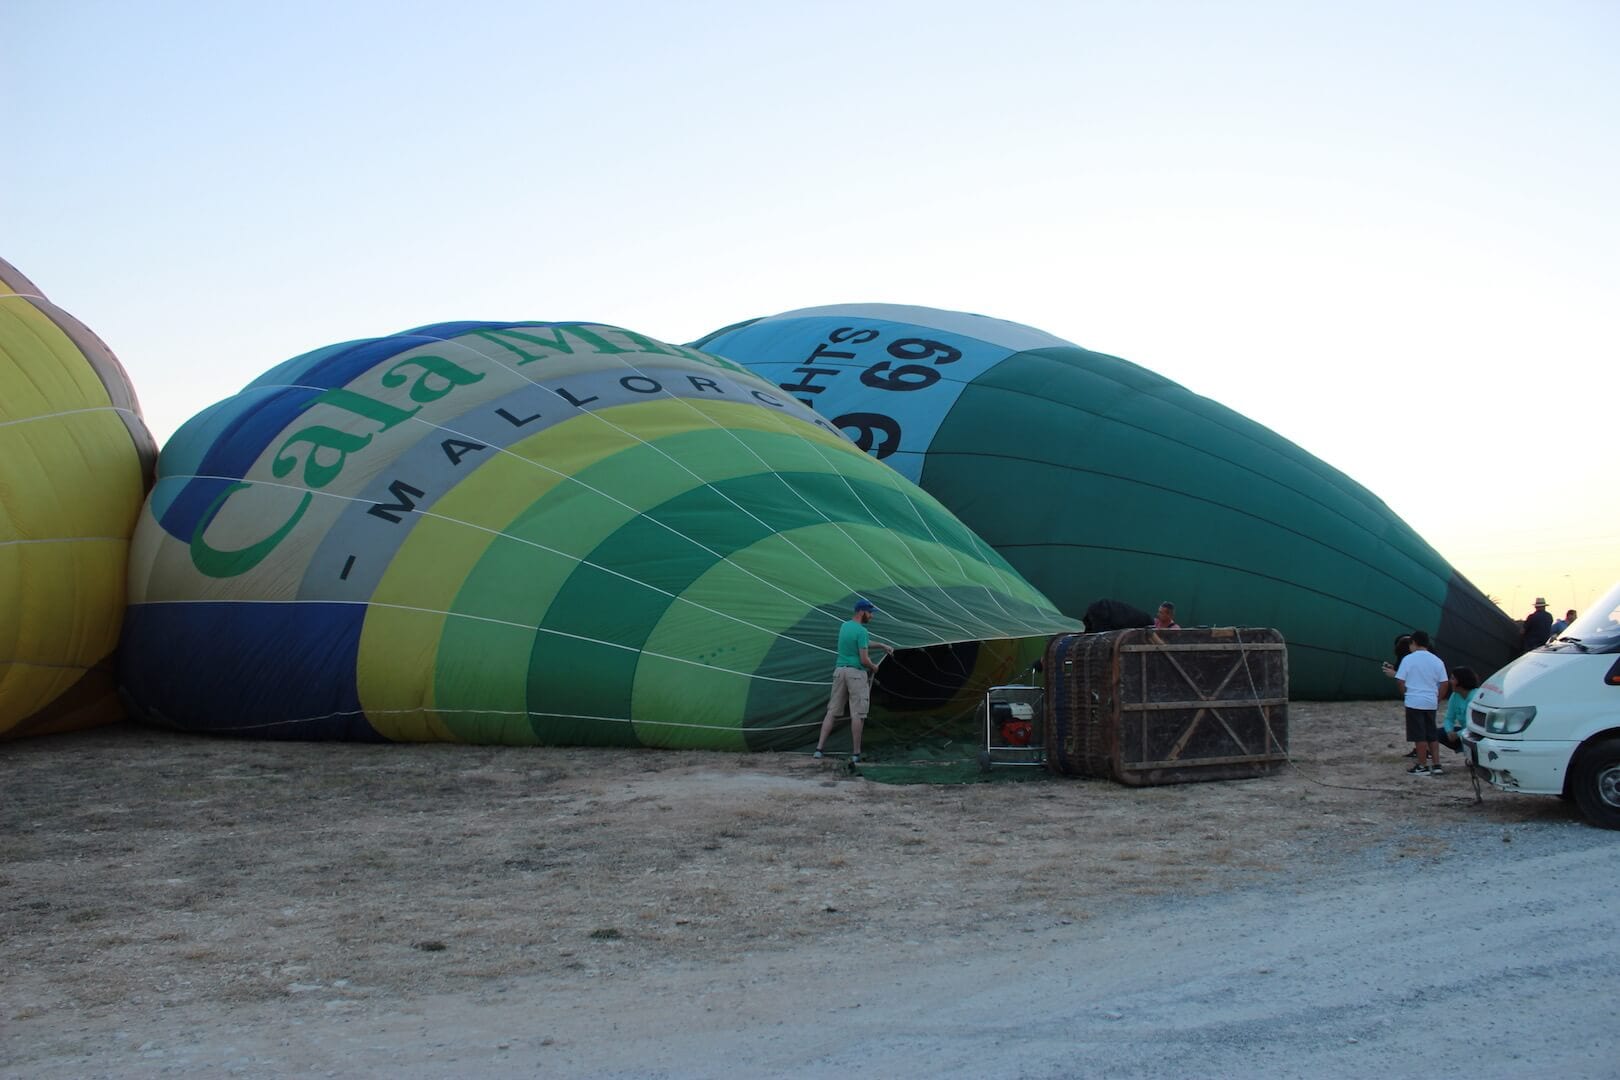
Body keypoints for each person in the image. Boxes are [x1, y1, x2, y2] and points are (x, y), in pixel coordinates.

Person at [813, 598, 894, 764]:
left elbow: (861, 643)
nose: (871, 616)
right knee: (858, 713)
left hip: (839, 671)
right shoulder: (862, 631)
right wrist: (874, 667)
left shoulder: (844, 626)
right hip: (855, 674)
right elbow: (864, 659)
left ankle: (819, 750)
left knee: (832, 711)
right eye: (870, 613)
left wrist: (882, 645)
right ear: (862, 612)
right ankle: (856, 753)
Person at [1395, 630, 1449, 776]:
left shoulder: (1408, 659)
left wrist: (1406, 694)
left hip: (1414, 701)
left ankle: (1422, 765)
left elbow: (1400, 680)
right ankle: (1437, 765)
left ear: (1413, 643)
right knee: (1432, 734)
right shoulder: (1437, 661)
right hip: (1430, 701)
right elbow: (1444, 683)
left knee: (1419, 736)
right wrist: (1438, 699)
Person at [1438, 665, 1480, 753]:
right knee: (1435, 733)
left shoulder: (1476, 697)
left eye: (1453, 679)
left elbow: (1477, 725)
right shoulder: (1455, 696)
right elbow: (1449, 718)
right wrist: (1449, 732)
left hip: (1477, 733)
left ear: (1462, 681)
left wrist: (1457, 734)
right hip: (1464, 732)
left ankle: (1472, 754)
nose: (1450, 681)